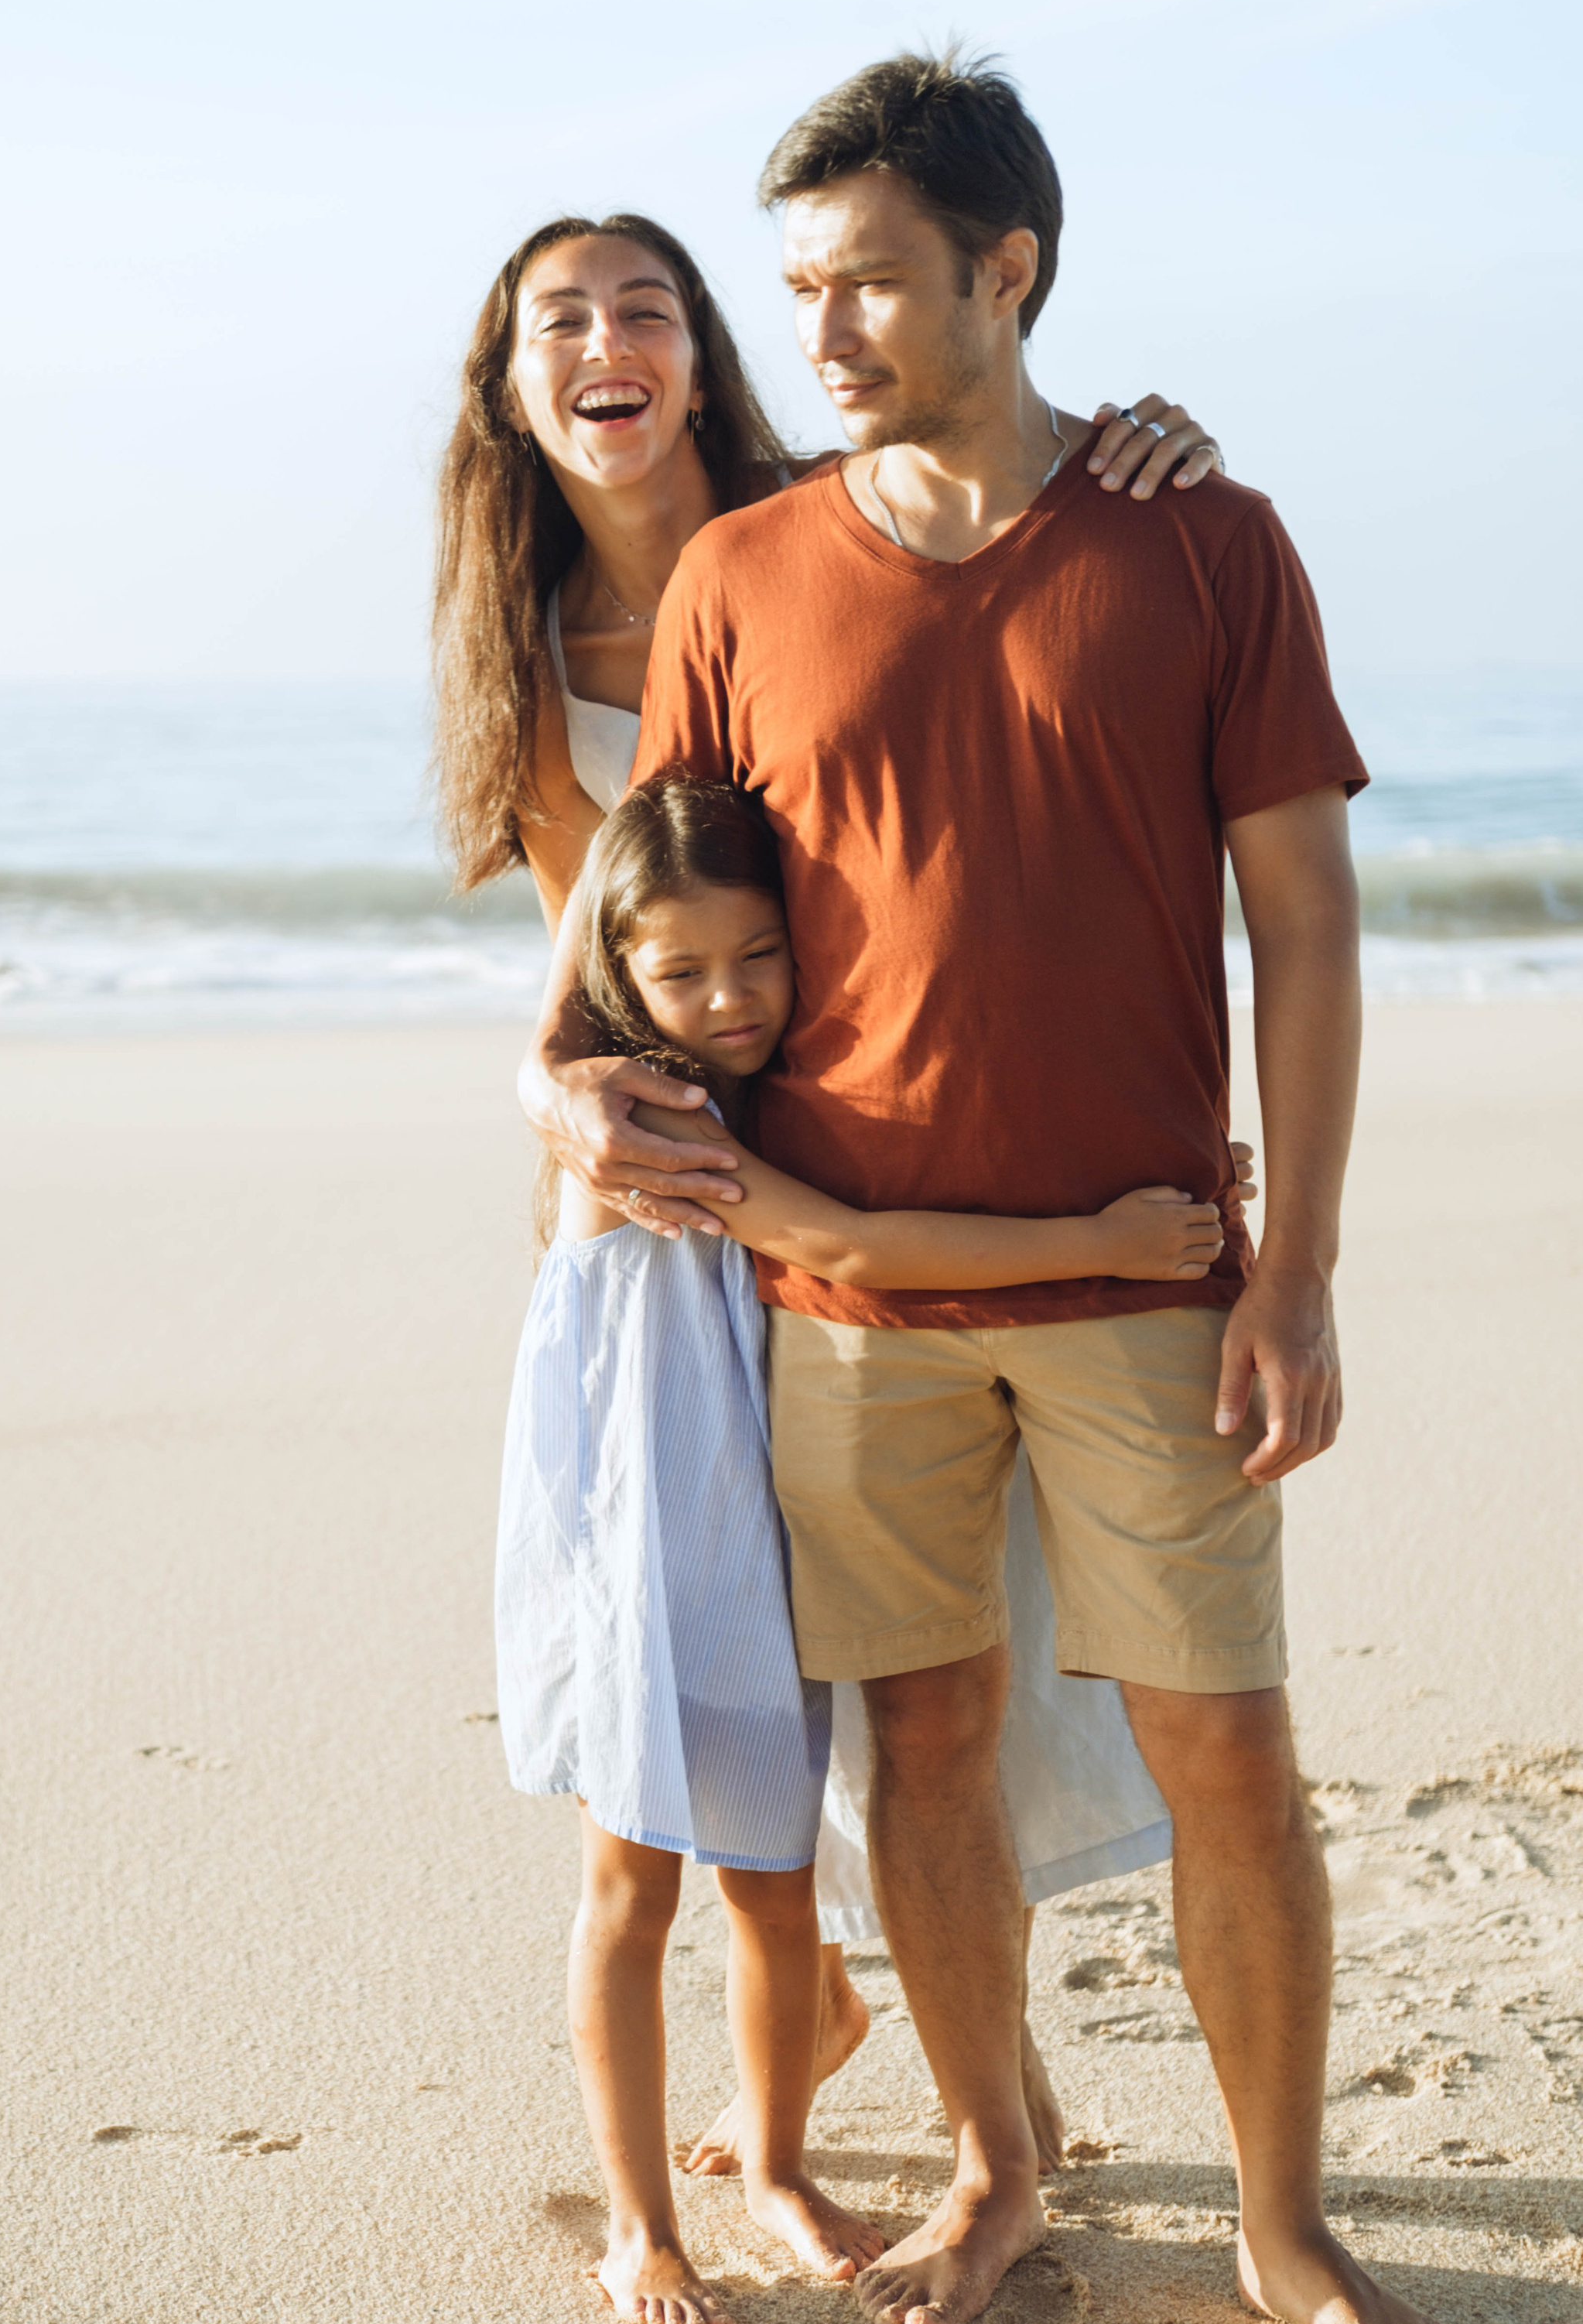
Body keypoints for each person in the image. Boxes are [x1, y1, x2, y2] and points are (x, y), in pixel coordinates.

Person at [527, 47, 1463, 2324]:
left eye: (866, 283)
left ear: (1006, 272)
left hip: (1152, 1279)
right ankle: (999, 2161)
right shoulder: (744, 578)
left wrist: (1304, 1262)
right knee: (918, 1756)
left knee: (1229, 1755)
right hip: (839, 1297)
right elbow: (649, 923)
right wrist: (566, 1093)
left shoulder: (1203, 542)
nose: (818, 332)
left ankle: (1277, 2229)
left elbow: (1310, 931)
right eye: (800, 286)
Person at [436, 207, 1228, 2159]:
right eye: (560, 324)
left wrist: (1151, 448)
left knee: (924, 1666)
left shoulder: (835, 528)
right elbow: (567, 982)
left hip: (872, 1174)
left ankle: (991, 2080)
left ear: (704, 355)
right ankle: (841, 2027)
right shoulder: (518, 652)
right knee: (719, 1644)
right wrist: (562, 1124)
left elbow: (1007, 560)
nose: (607, 348)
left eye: (645, 310)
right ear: (511, 390)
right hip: (660, 1203)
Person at [501, 773, 1236, 2324]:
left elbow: (897, 1188)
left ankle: (768, 2163)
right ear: (612, 971)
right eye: (678, 970)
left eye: (757, 957)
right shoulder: (642, 1121)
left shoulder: (766, 1096)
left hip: (754, 1547)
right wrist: (1095, 1243)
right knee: (628, 1889)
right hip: (640, 1558)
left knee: (774, 1895)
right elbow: (847, 1247)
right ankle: (640, 2227)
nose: (726, 999)